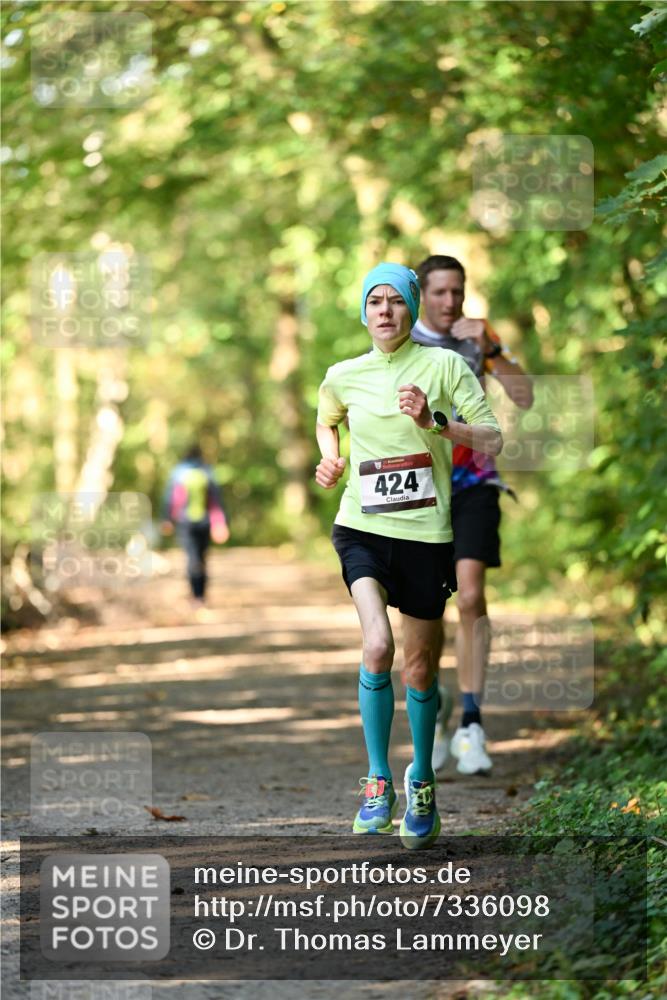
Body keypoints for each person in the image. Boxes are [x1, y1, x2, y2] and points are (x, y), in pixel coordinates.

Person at [315, 263, 502, 849]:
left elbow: (492, 436)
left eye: (396, 302)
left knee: (419, 668)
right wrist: (331, 459)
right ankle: (377, 780)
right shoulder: (343, 375)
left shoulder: (445, 365)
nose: (385, 312)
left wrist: (435, 422)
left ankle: (420, 778)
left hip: (426, 536)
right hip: (361, 529)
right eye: (375, 302)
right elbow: (327, 421)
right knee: (377, 644)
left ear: (413, 308)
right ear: (363, 311)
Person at [412, 255, 533, 775]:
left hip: (475, 482)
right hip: (419, 487)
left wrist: (493, 347)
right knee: (424, 614)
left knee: (472, 595)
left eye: (457, 292)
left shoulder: (475, 339)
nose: (450, 302)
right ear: (421, 294)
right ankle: (434, 714)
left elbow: (523, 396)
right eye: (439, 292)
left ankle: (472, 725)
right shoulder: (402, 340)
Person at [160, 444, 229, 605]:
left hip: (185, 523)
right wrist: (220, 523)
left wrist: (167, 519)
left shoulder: (178, 473)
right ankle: (201, 595)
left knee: (191, 558)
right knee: (202, 558)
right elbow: (215, 502)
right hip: (205, 522)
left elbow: (170, 499)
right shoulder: (207, 472)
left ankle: (194, 596)